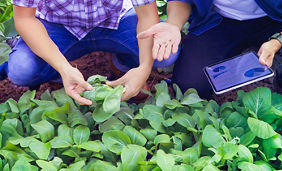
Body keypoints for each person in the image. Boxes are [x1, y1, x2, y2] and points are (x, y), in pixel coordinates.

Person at [0, 0, 179, 105]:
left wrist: (144, 67)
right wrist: (63, 68)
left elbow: (147, 14)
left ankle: (123, 65)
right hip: (58, 26)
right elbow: (24, 18)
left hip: (115, 20)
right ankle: (57, 73)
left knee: (165, 50)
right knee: (22, 69)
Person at [138, 0, 282, 98]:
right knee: (189, 87)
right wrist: (174, 23)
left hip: (280, 18)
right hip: (219, 20)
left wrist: (279, 41)